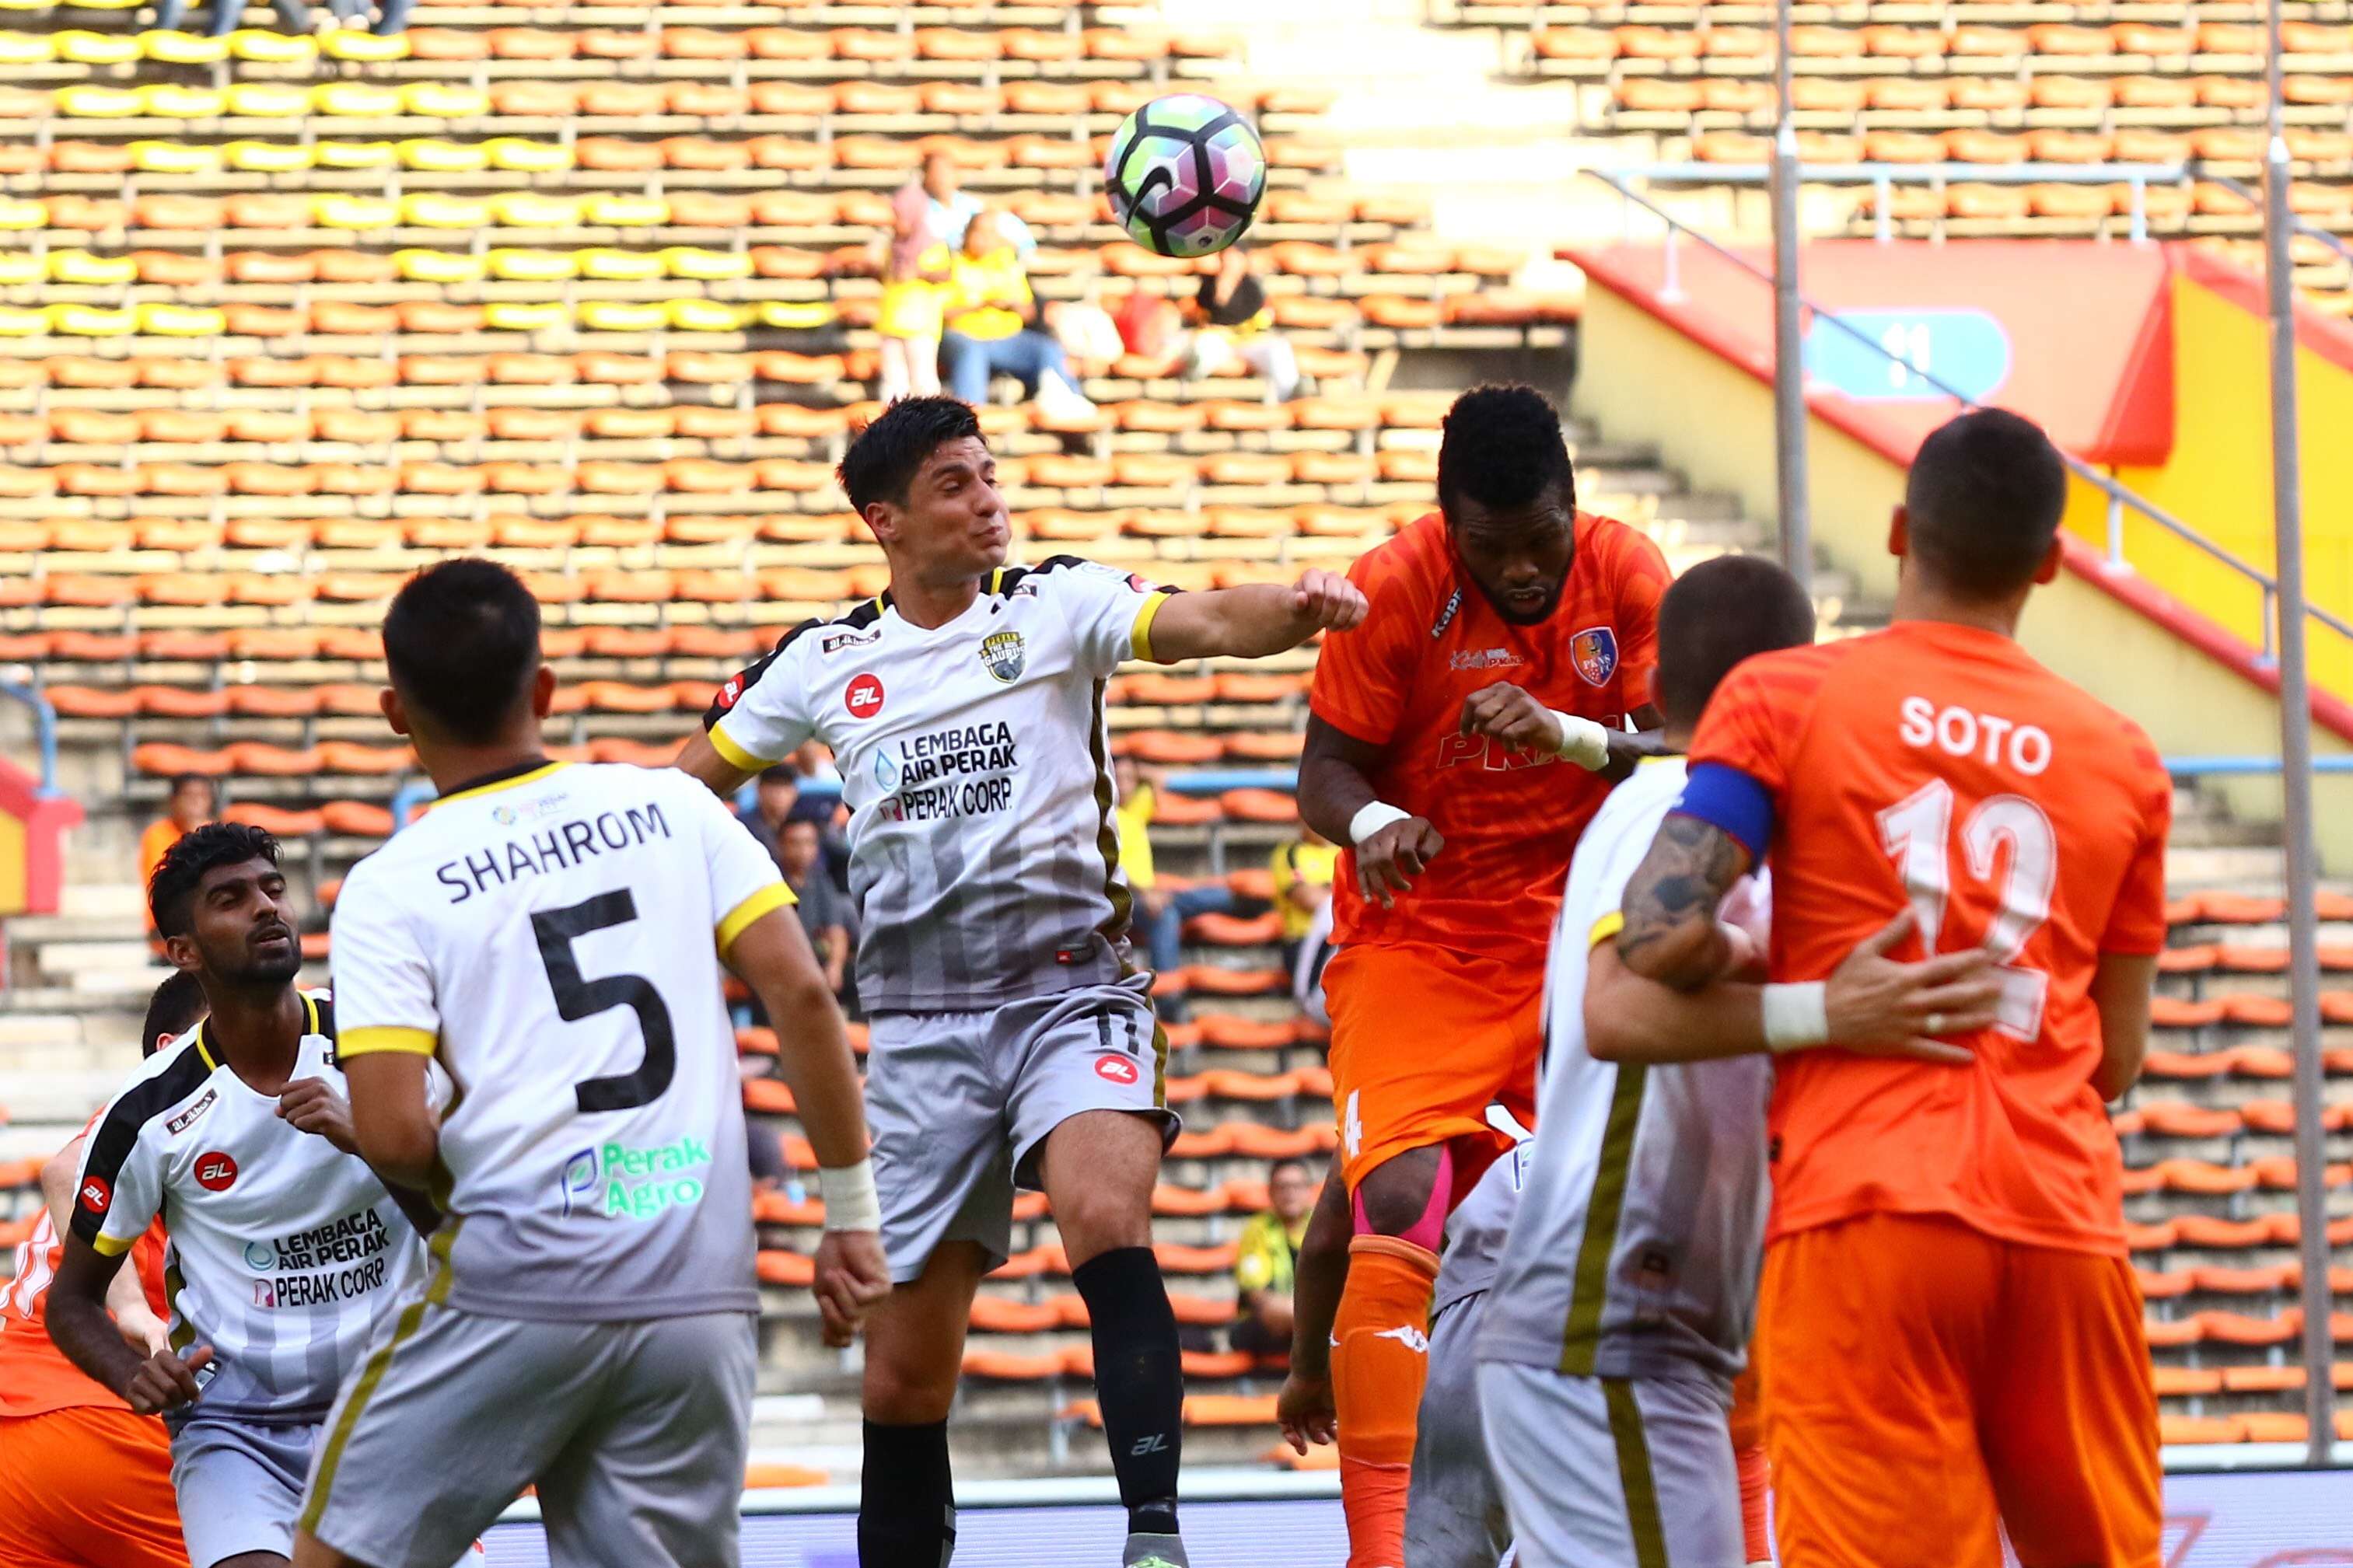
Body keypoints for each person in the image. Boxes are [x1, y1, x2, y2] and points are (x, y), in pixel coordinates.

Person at [672, 395, 1369, 1568]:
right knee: (902, 1373)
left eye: (990, 476)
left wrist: (1293, 610)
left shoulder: (1058, 602)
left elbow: (1200, 622)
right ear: (884, 521)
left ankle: (1154, 1538)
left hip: (1070, 994)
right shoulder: (824, 660)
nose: (989, 500)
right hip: (917, 1030)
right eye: (955, 484)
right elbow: (679, 792)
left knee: (1105, 1215)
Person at [1616, 409, 2171, 1567]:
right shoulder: (2122, 756)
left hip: (1866, 1210)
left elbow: (1659, 935)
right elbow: (2114, 1062)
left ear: (1896, 529)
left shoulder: (1784, 696)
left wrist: (1780, 971)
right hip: (2062, 1223)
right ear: (2050, 563)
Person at [287, 559, 890, 1568]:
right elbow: (801, 997)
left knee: (333, 1556)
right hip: (695, 1290)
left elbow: (392, 1134)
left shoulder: (392, 886)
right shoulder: (678, 808)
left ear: (396, 712)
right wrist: (849, 1216)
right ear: (545, 689)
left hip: (514, 1284)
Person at [1476, 553, 2008, 1568]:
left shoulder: (1673, 804)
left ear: (1653, 685)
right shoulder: (1667, 809)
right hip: (1606, 1323)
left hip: (1625, 1332)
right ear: (1785, 692)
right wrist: (1825, 1009)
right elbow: (1619, 1012)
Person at [1292, 382, 1671, 1566]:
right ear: (1445, 520)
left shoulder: (1630, 575)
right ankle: (1382, 1548)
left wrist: (1563, 733)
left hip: (1577, 939)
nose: (1518, 568)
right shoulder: (1394, 584)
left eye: (1538, 539)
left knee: (1665, 1221)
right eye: (1488, 545)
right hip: (1419, 937)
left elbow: (1681, 756)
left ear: (1573, 502)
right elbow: (1324, 776)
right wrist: (1370, 828)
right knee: (1399, 1194)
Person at [46, 826, 444, 1568]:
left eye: (272, 889)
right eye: (231, 899)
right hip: (235, 1430)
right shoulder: (150, 1111)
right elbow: (70, 1301)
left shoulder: (381, 1042)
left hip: (395, 1411)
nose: (266, 908)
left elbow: (468, 1231)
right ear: (184, 950)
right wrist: (132, 1371)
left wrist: (377, 1143)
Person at [0, 973, 205, 1568]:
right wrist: (130, 1308)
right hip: (102, 1424)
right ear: (173, 1046)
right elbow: (65, 1171)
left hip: (18, 1423)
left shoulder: (136, 1123)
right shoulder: (190, 1095)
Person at [939, 211, 1093, 419]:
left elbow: (1029, 312)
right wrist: (979, 305)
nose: (985, 239)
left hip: (1005, 337)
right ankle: (969, 417)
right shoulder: (952, 264)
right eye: (980, 233)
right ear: (967, 234)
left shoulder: (1006, 264)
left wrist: (1010, 305)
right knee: (971, 353)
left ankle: (1067, 400)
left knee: (1047, 349)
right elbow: (941, 312)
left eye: (991, 233)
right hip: (964, 335)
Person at [1114, 756, 1234, 1004]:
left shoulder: (1135, 810)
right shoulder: (1103, 817)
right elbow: (1108, 869)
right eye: (1118, 778)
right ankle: (1168, 997)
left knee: (1207, 897)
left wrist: (1137, 768)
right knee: (1166, 915)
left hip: (1148, 894)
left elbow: (1161, 778)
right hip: (1123, 897)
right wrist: (1146, 893)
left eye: (1129, 779)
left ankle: (1243, 903)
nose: (1124, 784)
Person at [1182, 246, 1299, 403]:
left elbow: (1259, 316)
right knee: (1202, 351)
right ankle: (1192, 395)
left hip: (1249, 339)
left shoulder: (1252, 285)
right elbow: (1210, 311)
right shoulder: (1208, 284)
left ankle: (1280, 402)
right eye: (1227, 259)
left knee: (1279, 352)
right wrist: (1223, 286)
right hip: (1219, 341)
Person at [1229, 1158, 1317, 1359]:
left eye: (1296, 1186)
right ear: (1270, 1192)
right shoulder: (1257, 1230)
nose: (1290, 1193)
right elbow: (1257, 1296)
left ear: (1309, 1191)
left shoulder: (1322, 1229)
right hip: (1266, 1323)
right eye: (1282, 1187)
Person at [877, 181, 949, 405]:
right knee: (893, 382)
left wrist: (917, 273)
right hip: (892, 322)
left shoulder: (933, 245)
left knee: (923, 382)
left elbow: (944, 273)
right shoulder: (892, 245)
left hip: (920, 324)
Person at [779, 815, 855, 1010]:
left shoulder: (820, 880)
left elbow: (836, 931)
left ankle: (854, 1037)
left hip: (815, 958)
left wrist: (835, 967)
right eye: (795, 843)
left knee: (858, 975)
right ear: (781, 845)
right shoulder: (773, 881)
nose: (803, 850)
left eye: (809, 843)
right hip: (783, 962)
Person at [920, 150, 1034, 258]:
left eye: (945, 173)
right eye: (935, 173)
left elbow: (1023, 241)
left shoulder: (971, 206)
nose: (940, 179)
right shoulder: (919, 210)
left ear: (956, 175)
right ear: (925, 178)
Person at [1267, 826, 1338, 973]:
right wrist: (1341, 892)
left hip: (1341, 938)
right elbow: (1309, 899)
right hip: (1304, 939)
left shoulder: (1343, 852)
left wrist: (1323, 888)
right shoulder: (1290, 852)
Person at [140, 774, 219, 899]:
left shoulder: (218, 834)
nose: (195, 802)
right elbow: (158, 880)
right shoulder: (157, 834)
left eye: (202, 796)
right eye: (188, 795)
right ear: (173, 800)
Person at [736, 763, 801, 858]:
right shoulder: (742, 826)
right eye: (773, 786)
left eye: (785, 787)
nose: (779, 794)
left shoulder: (803, 824)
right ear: (759, 790)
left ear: (795, 792)